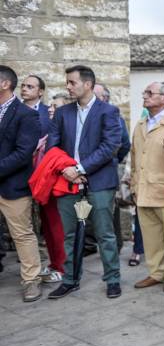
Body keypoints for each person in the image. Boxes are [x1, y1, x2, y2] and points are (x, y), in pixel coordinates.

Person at [46, 65, 123, 300]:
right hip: (68, 182)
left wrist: (80, 169)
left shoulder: (108, 111)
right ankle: (70, 279)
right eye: (67, 83)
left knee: (104, 234)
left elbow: (111, 146)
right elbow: (53, 145)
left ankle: (112, 279)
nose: (68, 87)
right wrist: (66, 170)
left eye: (72, 82)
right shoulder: (62, 113)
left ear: (88, 84)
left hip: (98, 182)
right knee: (70, 234)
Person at [130, 82, 164, 292]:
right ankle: (156, 272)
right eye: (145, 91)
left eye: (150, 93)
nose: (145, 96)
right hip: (143, 190)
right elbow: (134, 156)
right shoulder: (141, 123)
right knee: (151, 236)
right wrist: (134, 183)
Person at [0, 65, 43, 301]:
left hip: (13, 186)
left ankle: (31, 280)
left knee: (22, 235)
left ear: (5, 84)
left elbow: (23, 152)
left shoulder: (26, 114)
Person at [20, 74, 65, 283]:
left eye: (30, 86)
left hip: (44, 177)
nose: (25, 89)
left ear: (40, 92)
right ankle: (42, 264)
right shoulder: (14, 111)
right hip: (17, 177)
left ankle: (60, 265)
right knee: (29, 227)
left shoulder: (49, 115)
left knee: (52, 222)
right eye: (23, 85)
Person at [93, 83, 132, 259]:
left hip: (107, 169)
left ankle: (114, 246)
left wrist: (113, 160)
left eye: (95, 95)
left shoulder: (114, 116)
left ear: (105, 98)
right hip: (85, 172)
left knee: (110, 210)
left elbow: (124, 144)